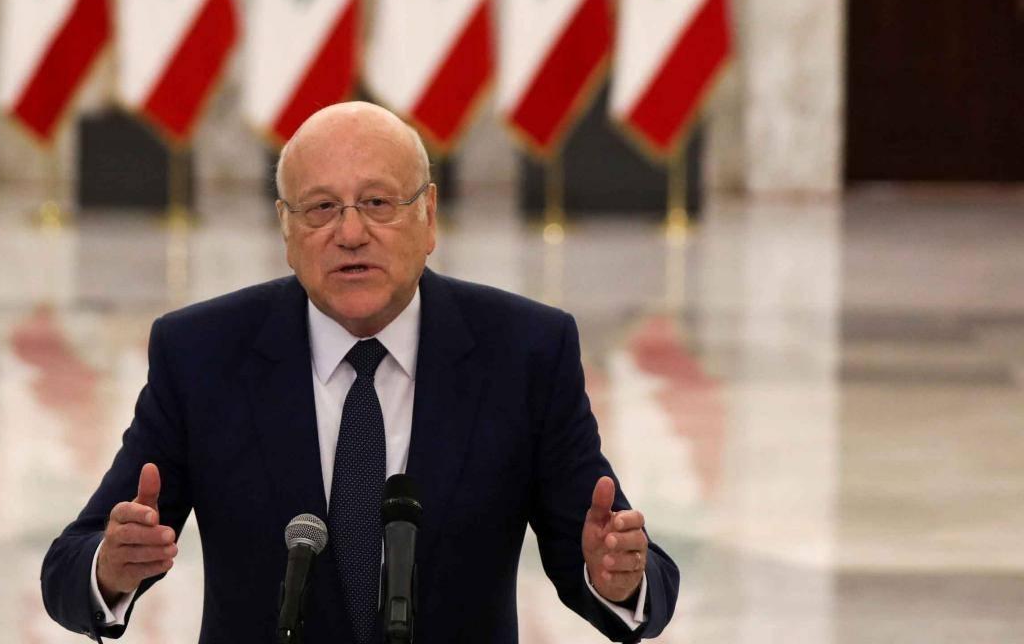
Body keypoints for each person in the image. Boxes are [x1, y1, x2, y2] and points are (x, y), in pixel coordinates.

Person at [41, 102, 679, 643]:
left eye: (377, 203)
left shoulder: (525, 353)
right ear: (286, 228)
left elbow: (630, 568)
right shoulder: (201, 354)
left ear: (429, 216)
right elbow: (69, 567)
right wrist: (111, 569)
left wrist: (619, 578)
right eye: (321, 208)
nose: (350, 233)